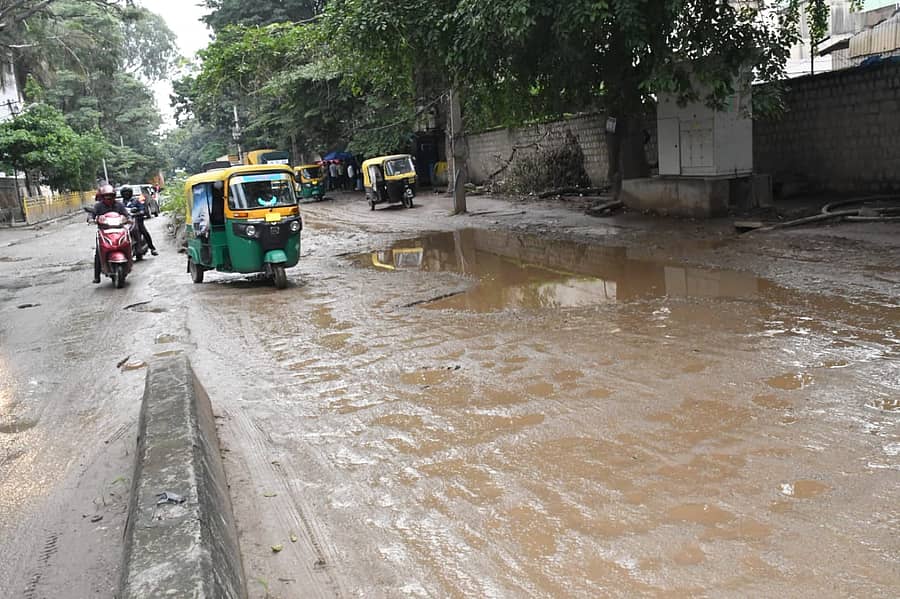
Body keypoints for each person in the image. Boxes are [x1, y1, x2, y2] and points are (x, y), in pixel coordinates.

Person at [90, 183, 130, 284]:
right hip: (104, 231)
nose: (108, 198)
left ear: (114, 196)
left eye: (110, 196)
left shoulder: (119, 205)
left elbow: (126, 214)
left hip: (118, 230)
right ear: (102, 197)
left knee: (128, 243)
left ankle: (129, 262)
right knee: (98, 252)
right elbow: (92, 215)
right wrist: (92, 219)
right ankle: (97, 275)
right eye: (106, 196)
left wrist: (128, 218)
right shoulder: (98, 206)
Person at [122, 187, 158, 257]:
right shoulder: (121, 203)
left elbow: (142, 209)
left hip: (137, 220)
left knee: (144, 232)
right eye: (124, 193)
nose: (126, 194)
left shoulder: (136, 201)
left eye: (127, 193)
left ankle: (152, 248)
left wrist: (140, 212)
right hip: (126, 222)